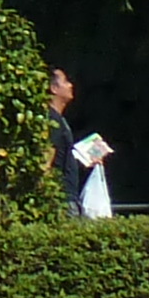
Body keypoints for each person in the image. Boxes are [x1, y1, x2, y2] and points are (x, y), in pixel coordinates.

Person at [48, 68, 115, 218]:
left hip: (68, 197)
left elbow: (61, 159)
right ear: (54, 89)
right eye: (65, 81)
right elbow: (47, 160)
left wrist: (84, 160)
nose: (71, 85)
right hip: (62, 200)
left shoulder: (60, 120)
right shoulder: (52, 122)